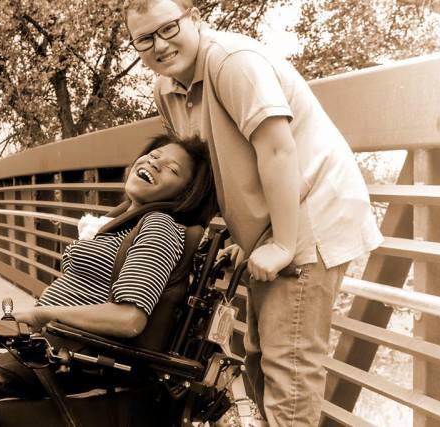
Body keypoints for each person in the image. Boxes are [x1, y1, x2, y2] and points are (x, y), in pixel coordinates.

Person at [123, 1, 383, 424]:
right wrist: (234, 234)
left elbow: (278, 149)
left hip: (308, 213)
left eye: (169, 28)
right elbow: (207, 168)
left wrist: (282, 243)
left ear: (195, 19)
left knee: (289, 365)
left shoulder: (232, 63)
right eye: (145, 38)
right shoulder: (167, 88)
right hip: (268, 226)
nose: (160, 45)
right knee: (258, 357)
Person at [0, 133, 216, 398]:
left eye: (172, 169)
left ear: (186, 193)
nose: (155, 164)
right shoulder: (121, 222)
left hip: (75, 362)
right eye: (154, 156)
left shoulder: (159, 227)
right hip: (52, 352)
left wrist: (43, 315)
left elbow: (129, 319)